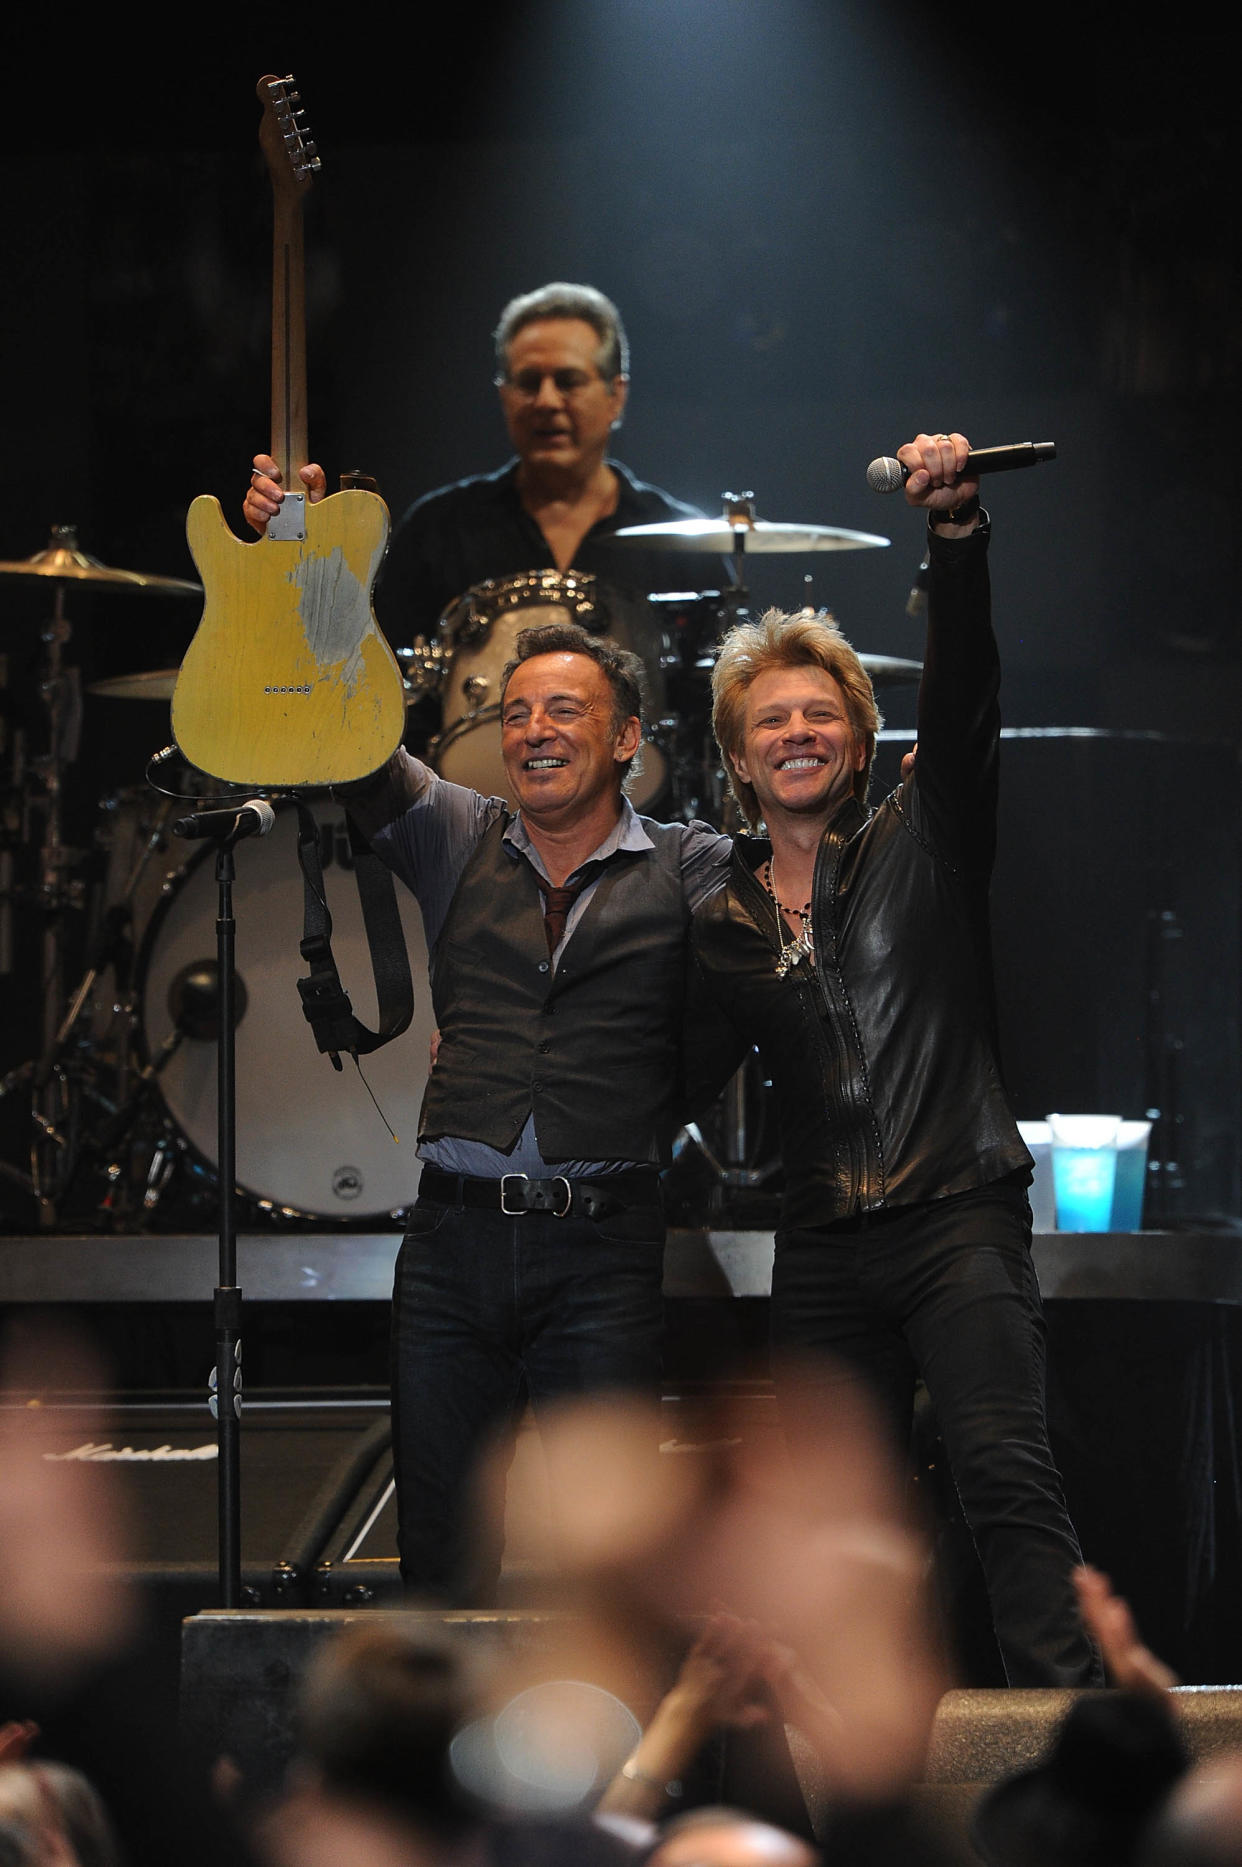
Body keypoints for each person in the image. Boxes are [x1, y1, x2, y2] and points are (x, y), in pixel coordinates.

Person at [686, 430, 1100, 1688]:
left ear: (860, 744)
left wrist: (958, 536)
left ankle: (1081, 1759)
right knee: (835, 1535)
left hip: (956, 1214)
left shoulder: (930, 836)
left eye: (822, 714)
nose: (798, 731)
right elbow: (660, 1069)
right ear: (739, 757)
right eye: (773, 719)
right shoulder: (719, 922)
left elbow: (966, 690)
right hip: (821, 1248)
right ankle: (856, 1782)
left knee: (1002, 1477)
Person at [340, 622, 730, 1599]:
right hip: (450, 1250)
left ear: (630, 735)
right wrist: (316, 570)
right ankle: (438, 1754)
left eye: (564, 708)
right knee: (441, 1555)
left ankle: (629, 1754)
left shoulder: (688, 863)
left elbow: (778, 957)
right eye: (517, 713)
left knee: (615, 1567)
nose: (535, 730)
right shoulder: (458, 834)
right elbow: (352, 738)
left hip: (601, 1251)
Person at [243, 280, 720, 644]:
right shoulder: (439, 529)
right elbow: (354, 655)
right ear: (503, 396)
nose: (547, 401)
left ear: (616, 395)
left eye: (569, 380)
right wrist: (298, 545)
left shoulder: (683, 542)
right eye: (528, 382)